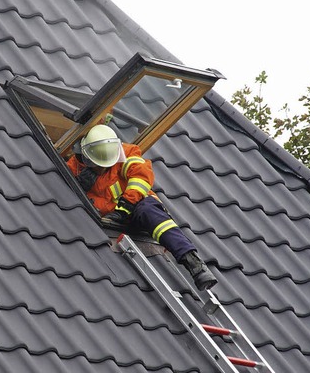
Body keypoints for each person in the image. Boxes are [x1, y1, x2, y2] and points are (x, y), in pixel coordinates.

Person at [67, 124, 218, 291]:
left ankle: (194, 264)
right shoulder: (73, 170)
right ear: (88, 158)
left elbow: (141, 175)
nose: (104, 168)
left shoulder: (126, 153)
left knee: (151, 213)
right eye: (99, 164)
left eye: (107, 164)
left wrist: (125, 206)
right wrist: (80, 187)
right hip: (110, 224)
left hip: (137, 208)